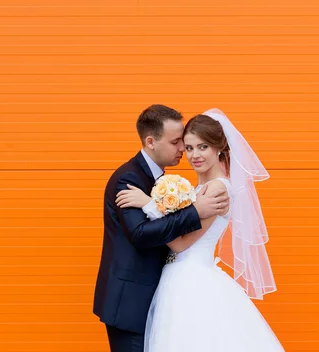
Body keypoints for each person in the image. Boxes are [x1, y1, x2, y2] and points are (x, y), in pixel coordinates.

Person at [116, 108, 285, 351]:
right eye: (189, 147)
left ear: (219, 149)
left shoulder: (218, 190)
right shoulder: (198, 189)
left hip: (193, 280)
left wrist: (150, 205)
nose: (195, 155)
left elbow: (181, 243)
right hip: (178, 277)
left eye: (203, 147)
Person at [93, 104, 231, 352]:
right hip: (131, 302)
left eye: (198, 146)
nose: (184, 151)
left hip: (172, 288)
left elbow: (178, 237)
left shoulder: (200, 187)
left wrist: (152, 204)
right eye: (179, 143)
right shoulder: (130, 179)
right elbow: (140, 235)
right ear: (150, 141)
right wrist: (193, 211)